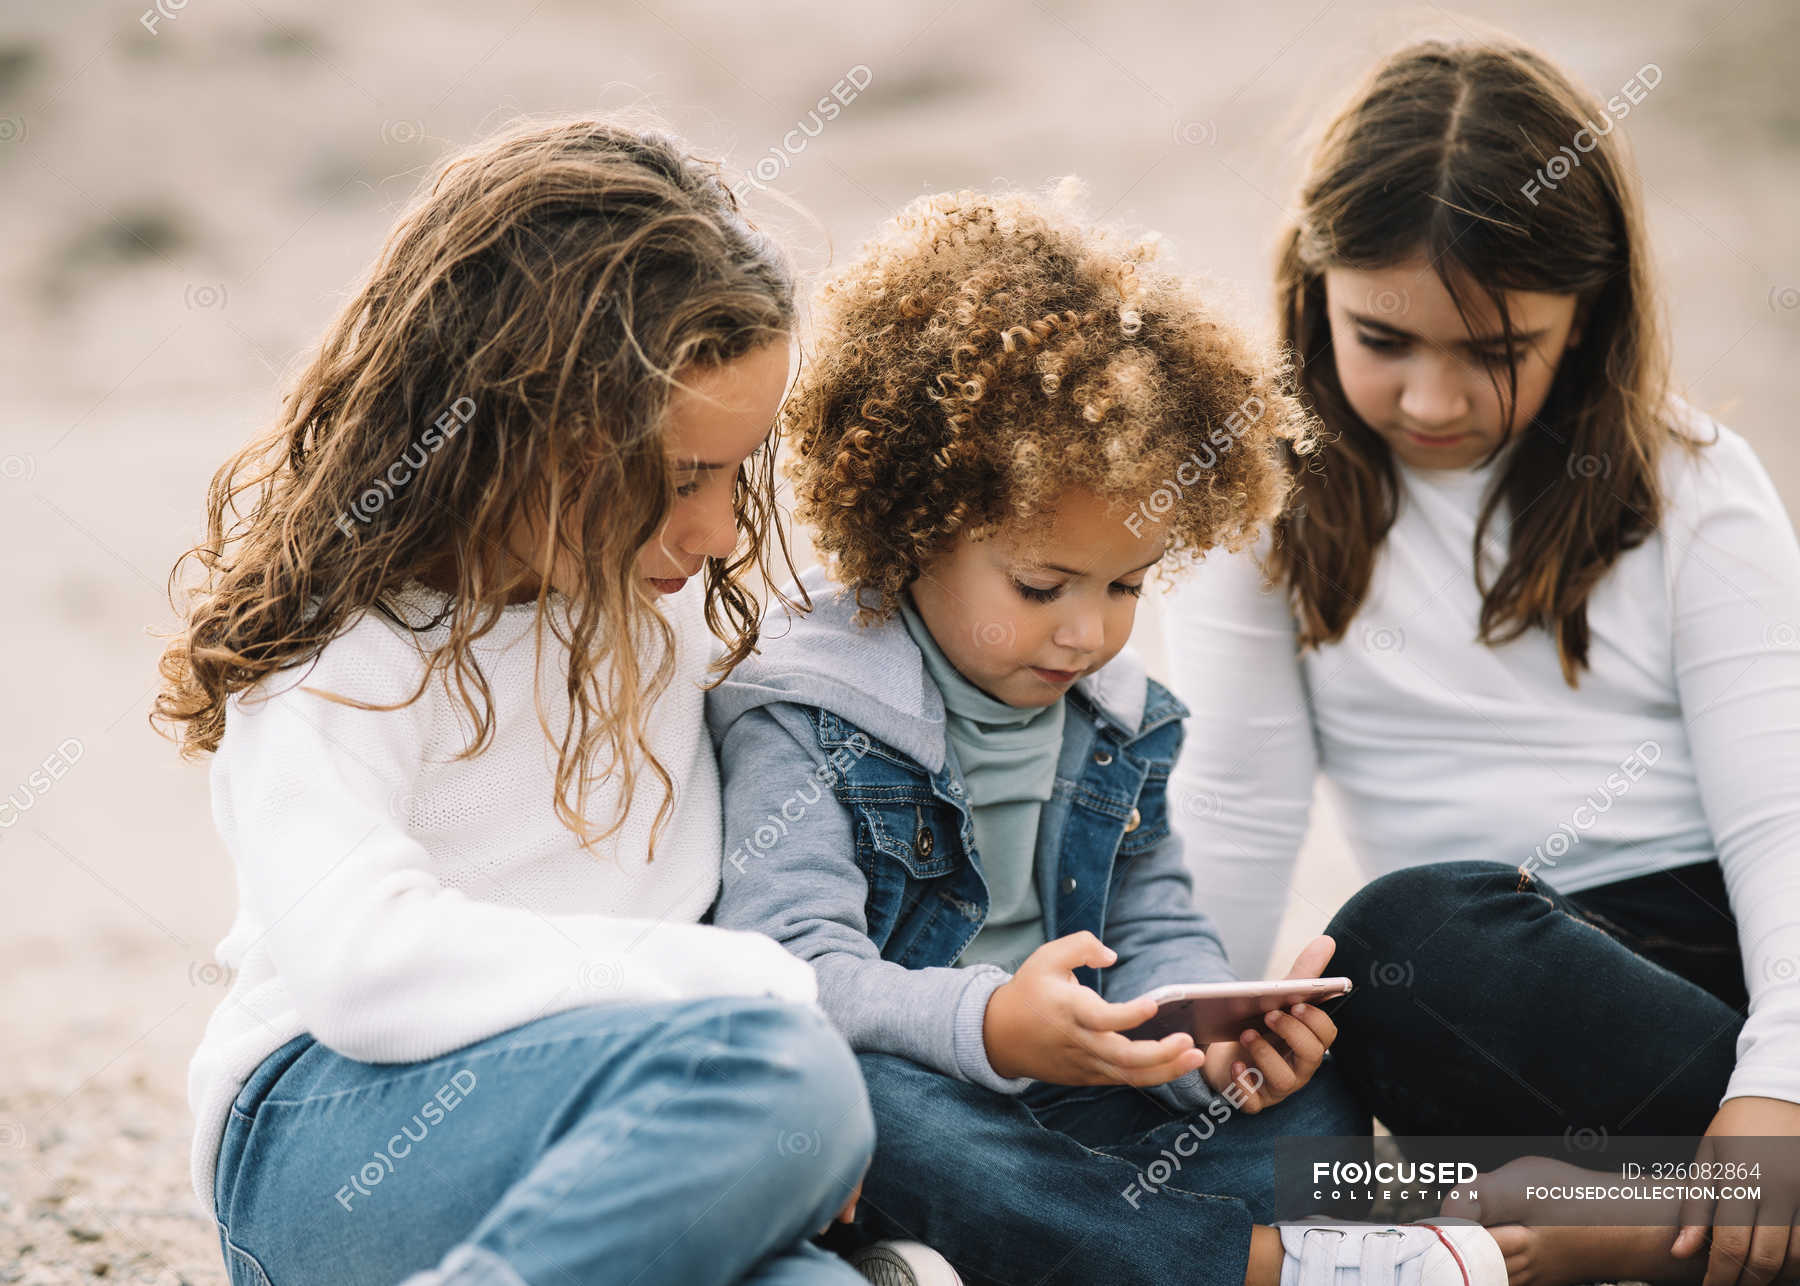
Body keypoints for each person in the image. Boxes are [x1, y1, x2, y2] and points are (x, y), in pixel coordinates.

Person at [709, 186, 1504, 1286]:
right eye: (1041, 585)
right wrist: (993, 1027)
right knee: (874, 1106)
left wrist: (1199, 1038)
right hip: (934, 1095)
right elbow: (793, 967)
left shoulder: (1118, 720)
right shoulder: (804, 713)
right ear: (909, 527)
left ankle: (1025, 1258)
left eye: (1127, 583)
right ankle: (1250, 1265)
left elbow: (1153, 909)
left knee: (1312, 1092)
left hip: (1084, 1107)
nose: (1087, 630)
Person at [154, 118, 879, 1286]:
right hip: (329, 1139)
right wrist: (735, 986)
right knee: (778, 1073)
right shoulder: (347, 653)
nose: (721, 532)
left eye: (740, 471)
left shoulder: (664, 607)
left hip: (601, 1131)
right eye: (681, 477)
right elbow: (363, 968)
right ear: (517, 435)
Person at [1164, 34, 1800, 1286]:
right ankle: (1655, 1224)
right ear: (1314, 283)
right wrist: (1194, 1054)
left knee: (1410, 920)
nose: (1435, 400)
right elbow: (1233, 809)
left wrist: (1776, 1088)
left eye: (1496, 351)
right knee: (1320, 1128)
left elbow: (1783, 818)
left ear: (1590, 315)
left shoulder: (1694, 489)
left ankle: (1691, 1215)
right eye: (1383, 338)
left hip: (1700, 987)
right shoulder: (1265, 507)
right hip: (1477, 1012)